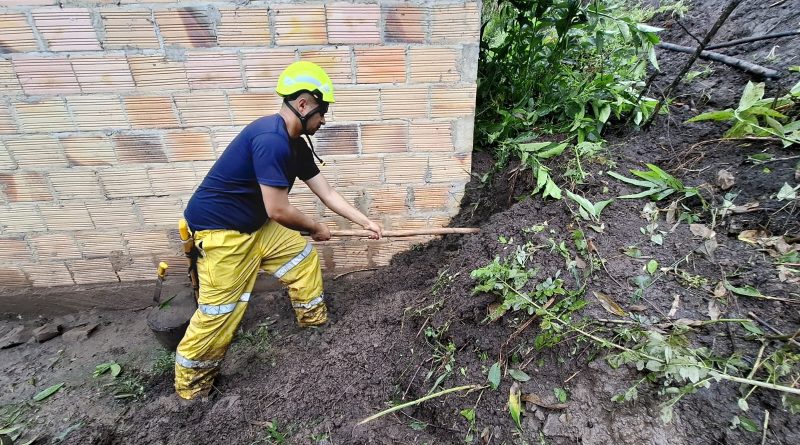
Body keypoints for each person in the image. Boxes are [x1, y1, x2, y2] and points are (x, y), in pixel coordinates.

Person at [174, 61, 383, 400]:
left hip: (255, 225)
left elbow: (327, 192)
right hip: (221, 233)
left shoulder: (296, 144)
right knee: (219, 313)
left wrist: (364, 222)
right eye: (322, 111)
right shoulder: (270, 140)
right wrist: (316, 227)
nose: (324, 119)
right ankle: (191, 392)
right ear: (303, 104)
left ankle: (314, 326)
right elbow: (278, 209)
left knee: (301, 258)